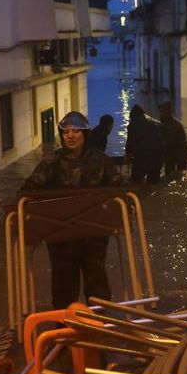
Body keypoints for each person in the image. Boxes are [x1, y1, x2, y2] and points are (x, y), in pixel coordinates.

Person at [21, 111, 125, 309]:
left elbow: (120, 187)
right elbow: (28, 189)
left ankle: (100, 326)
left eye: (75, 131)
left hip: (93, 233)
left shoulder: (100, 160)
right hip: (60, 236)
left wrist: (123, 208)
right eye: (66, 131)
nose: (70, 135)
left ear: (85, 134)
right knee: (63, 284)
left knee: (97, 280)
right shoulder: (50, 162)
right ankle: (64, 329)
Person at [125, 104, 166, 184]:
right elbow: (163, 142)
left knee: (136, 181)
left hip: (142, 158)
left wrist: (128, 155)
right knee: (153, 183)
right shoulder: (157, 123)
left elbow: (130, 142)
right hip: (158, 158)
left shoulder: (133, 124)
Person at [159, 102, 187, 176]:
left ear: (167, 113)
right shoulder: (170, 123)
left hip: (177, 156)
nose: (160, 114)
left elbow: (168, 143)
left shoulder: (170, 125)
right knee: (178, 176)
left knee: (173, 176)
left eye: (162, 112)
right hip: (178, 155)